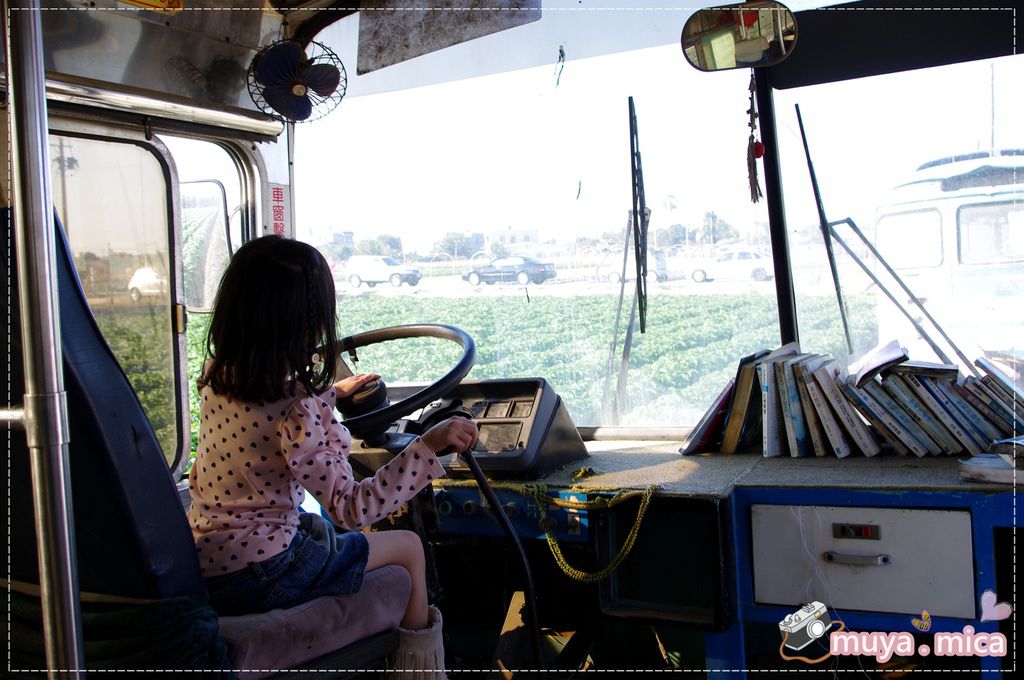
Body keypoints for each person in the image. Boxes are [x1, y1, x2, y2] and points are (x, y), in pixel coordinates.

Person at [186, 235, 478, 677]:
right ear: (308, 328)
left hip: (209, 561)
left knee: (313, 528)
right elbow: (352, 508)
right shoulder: (300, 410)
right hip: (267, 573)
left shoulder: (216, 377)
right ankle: (423, 671)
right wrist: (429, 444)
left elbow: (267, 419)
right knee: (410, 549)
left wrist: (331, 393)